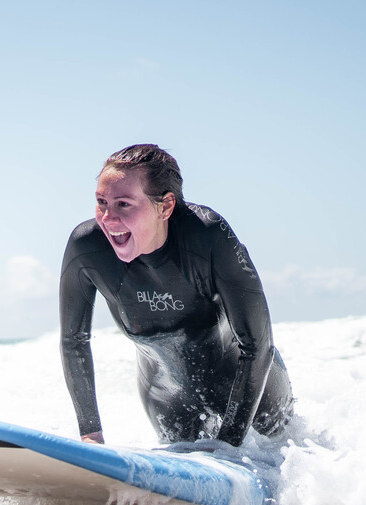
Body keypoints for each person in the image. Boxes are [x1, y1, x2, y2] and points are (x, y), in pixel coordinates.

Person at [59, 144, 294, 447]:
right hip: (167, 400)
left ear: (165, 206)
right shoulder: (87, 248)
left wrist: (228, 447)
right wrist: (91, 436)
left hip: (252, 393)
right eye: (101, 202)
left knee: (283, 472)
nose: (108, 218)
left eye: (124, 204)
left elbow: (257, 345)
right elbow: (74, 341)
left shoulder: (207, 235)